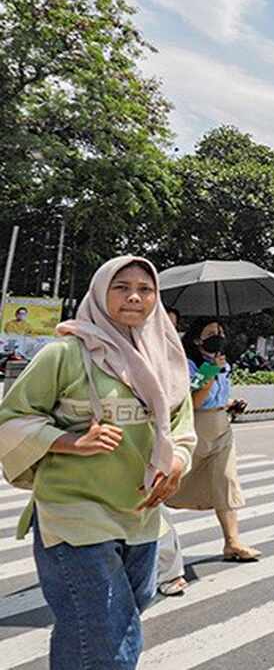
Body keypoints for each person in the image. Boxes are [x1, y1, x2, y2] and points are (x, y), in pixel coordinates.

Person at [0, 256, 196, 669]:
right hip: (74, 510)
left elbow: (181, 422)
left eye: (145, 289)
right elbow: (12, 418)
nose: (134, 297)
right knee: (109, 629)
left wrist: (177, 460)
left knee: (103, 622)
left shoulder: (166, 356)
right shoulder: (65, 353)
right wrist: (70, 441)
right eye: (121, 287)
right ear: (100, 291)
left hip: (140, 511)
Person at [158, 318, 259, 598]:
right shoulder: (188, 365)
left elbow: (218, 397)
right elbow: (193, 400)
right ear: (195, 340)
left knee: (225, 482)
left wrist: (231, 404)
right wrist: (210, 369)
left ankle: (232, 542)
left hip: (221, 427)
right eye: (211, 333)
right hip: (195, 428)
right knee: (169, 486)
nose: (218, 337)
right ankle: (153, 543)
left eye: (221, 332)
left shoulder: (224, 364)